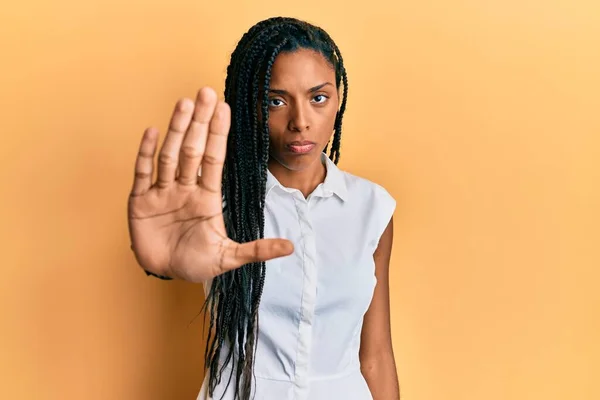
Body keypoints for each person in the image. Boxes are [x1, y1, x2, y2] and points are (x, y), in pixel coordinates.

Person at [127, 16, 399, 400]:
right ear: (249, 108)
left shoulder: (371, 207)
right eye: (275, 101)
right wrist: (161, 266)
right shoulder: (215, 203)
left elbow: (375, 356)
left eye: (318, 97)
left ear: (338, 98)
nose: (300, 122)